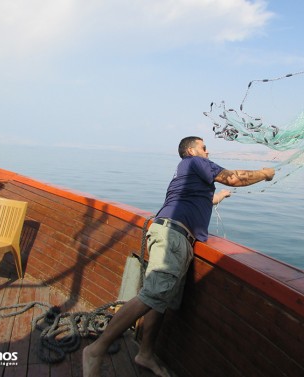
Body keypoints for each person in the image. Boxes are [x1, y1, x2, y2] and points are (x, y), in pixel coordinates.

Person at [83, 136, 275, 377]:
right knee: (152, 295)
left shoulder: (190, 174)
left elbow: (202, 199)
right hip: (171, 237)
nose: (208, 151)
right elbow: (234, 177)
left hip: (176, 237)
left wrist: (220, 196)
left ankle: (146, 353)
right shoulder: (196, 162)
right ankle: (96, 349)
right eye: (204, 147)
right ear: (192, 150)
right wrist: (264, 173)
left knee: (160, 300)